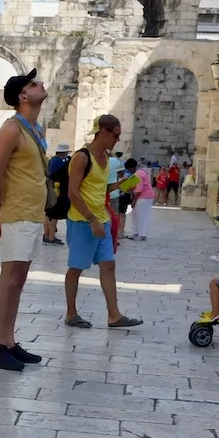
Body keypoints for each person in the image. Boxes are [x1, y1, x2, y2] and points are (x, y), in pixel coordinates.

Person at [0, 69, 48, 371]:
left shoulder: (33, 129)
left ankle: (8, 341)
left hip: (31, 213)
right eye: (34, 84)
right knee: (9, 278)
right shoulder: (12, 129)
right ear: (23, 96)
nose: (41, 85)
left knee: (18, 280)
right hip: (15, 213)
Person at [63, 115, 142, 329]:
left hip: (102, 219)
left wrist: (119, 185)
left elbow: (99, 189)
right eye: (115, 135)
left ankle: (114, 315)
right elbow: (73, 192)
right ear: (103, 132)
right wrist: (91, 220)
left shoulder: (106, 158)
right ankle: (71, 313)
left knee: (108, 264)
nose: (117, 139)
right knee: (77, 267)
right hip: (82, 221)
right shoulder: (81, 157)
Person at [44, 143, 70, 245]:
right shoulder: (59, 162)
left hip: (50, 189)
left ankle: (46, 235)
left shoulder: (52, 160)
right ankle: (51, 237)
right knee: (54, 214)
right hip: (57, 190)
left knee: (48, 214)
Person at [125, 158, 153, 241]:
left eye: (129, 169)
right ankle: (135, 232)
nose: (129, 171)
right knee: (135, 214)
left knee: (141, 215)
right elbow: (130, 186)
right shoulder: (140, 172)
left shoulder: (137, 174)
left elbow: (139, 189)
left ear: (132, 168)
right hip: (146, 196)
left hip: (144, 196)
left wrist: (133, 200)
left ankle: (142, 234)